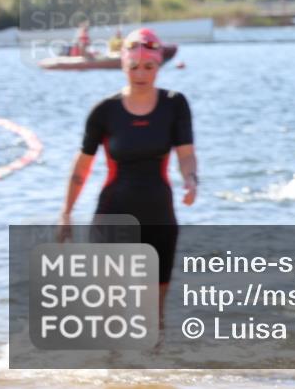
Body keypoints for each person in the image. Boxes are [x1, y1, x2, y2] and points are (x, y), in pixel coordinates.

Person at [59, 28, 198, 325]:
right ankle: (105, 370)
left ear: (159, 65)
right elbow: (82, 165)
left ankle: (153, 373)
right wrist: (66, 213)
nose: (141, 73)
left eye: (149, 66)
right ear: (123, 65)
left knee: (154, 316)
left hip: (159, 217)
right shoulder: (105, 111)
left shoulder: (175, 105)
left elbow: (186, 154)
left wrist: (191, 180)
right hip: (114, 214)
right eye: (134, 66)